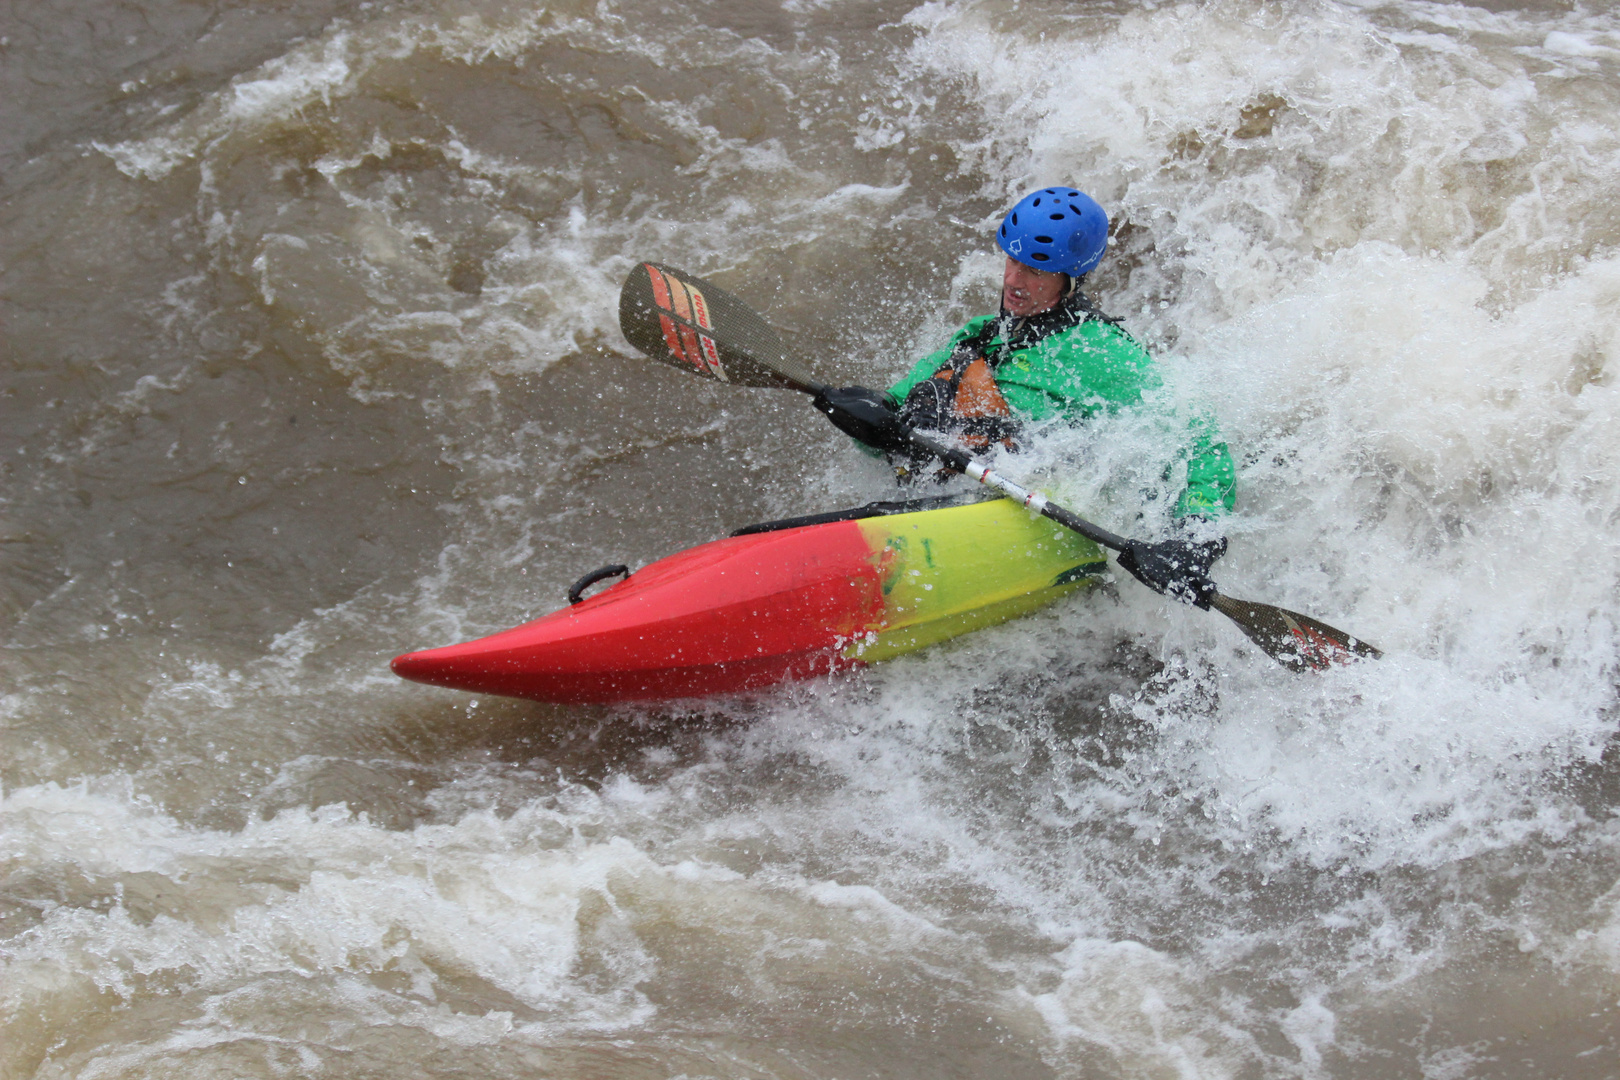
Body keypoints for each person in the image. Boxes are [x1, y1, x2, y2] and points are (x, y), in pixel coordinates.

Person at [812, 186, 1237, 609]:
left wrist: (1197, 540)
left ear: (1069, 280)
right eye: (1013, 260)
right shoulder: (978, 336)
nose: (1014, 280)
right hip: (941, 504)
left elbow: (1199, 440)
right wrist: (867, 420)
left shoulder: (1103, 354)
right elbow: (898, 410)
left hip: (1033, 516)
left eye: (1035, 270)